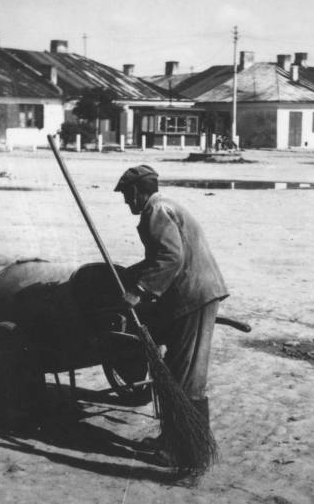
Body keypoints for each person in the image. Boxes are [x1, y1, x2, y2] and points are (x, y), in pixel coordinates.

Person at [114, 165, 228, 462]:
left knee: (186, 373)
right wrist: (132, 274)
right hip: (196, 291)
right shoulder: (167, 206)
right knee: (181, 368)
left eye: (127, 195)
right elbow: (164, 255)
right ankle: (181, 439)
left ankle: (183, 449)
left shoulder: (155, 210)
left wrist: (139, 290)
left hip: (193, 295)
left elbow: (170, 257)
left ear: (138, 191)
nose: (127, 202)